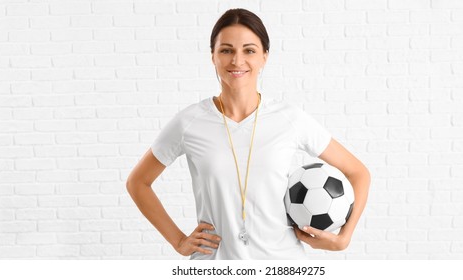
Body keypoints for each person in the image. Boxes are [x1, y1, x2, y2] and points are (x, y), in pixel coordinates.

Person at [126, 8, 370, 260]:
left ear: (264, 56)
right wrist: (178, 240)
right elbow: (138, 183)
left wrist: (343, 238)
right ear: (213, 56)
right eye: (226, 50)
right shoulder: (190, 122)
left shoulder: (289, 118)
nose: (237, 60)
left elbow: (358, 172)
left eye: (249, 50)